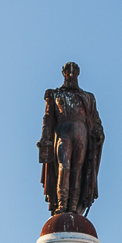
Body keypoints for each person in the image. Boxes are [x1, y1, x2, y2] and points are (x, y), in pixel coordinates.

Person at [38, 62, 104, 215]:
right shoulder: (55, 94)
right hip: (63, 131)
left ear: (78, 74)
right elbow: (48, 118)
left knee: (77, 169)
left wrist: (98, 132)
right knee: (64, 166)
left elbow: (95, 121)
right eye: (69, 72)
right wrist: (45, 138)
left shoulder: (88, 97)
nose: (71, 75)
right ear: (64, 73)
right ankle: (61, 204)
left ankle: (73, 207)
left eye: (74, 72)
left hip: (82, 133)